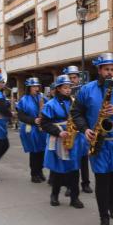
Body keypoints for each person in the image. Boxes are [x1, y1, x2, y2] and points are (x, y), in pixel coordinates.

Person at [71, 53, 113, 225]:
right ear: (99, 70)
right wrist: (84, 130)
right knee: (102, 179)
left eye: (112, 69)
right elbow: (76, 113)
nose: (110, 72)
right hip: (97, 140)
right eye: (106, 69)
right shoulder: (86, 90)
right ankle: (103, 217)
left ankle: (111, 202)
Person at [41, 75, 86, 208]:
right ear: (58, 89)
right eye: (65, 88)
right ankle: (54, 195)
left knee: (74, 169)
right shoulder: (50, 104)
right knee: (58, 170)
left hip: (74, 138)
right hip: (58, 138)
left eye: (69, 87)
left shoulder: (74, 102)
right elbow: (44, 123)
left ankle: (74, 197)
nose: (68, 90)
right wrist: (59, 132)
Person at [63, 65, 93, 194]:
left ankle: (85, 183)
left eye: (74, 78)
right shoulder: (63, 95)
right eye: (70, 78)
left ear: (78, 79)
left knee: (84, 159)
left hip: (82, 130)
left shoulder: (83, 91)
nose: (72, 81)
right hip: (69, 130)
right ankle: (70, 186)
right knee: (70, 159)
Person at [16, 77, 47, 183]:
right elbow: (21, 116)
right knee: (34, 152)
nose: (36, 88)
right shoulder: (24, 100)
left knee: (42, 151)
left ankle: (40, 171)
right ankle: (34, 174)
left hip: (42, 129)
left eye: (37, 86)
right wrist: (34, 120)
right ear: (29, 88)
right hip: (31, 129)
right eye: (33, 86)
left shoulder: (42, 98)